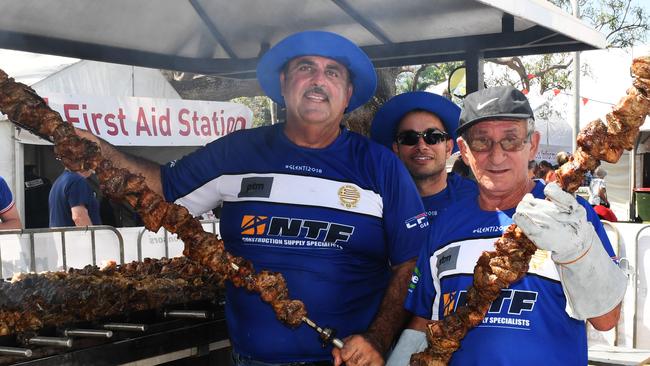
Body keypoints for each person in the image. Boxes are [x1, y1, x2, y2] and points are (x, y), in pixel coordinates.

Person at [77, 30, 429, 366]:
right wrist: (99, 153)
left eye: (333, 72)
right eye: (305, 67)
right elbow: (164, 191)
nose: (319, 80)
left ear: (348, 94)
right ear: (283, 83)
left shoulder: (380, 164)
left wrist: (379, 338)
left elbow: (410, 261)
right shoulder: (236, 152)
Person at [388, 85, 626, 365]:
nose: (497, 155)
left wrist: (577, 253)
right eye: (481, 142)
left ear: (532, 145)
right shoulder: (444, 226)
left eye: (511, 140)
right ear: (464, 150)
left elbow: (606, 319)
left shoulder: (569, 213)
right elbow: (426, 317)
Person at [370, 91, 477, 224]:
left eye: (433, 136)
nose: (421, 146)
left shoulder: (478, 198)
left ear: (448, 148)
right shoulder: (376, 203)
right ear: (396, 149)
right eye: (409, 137)